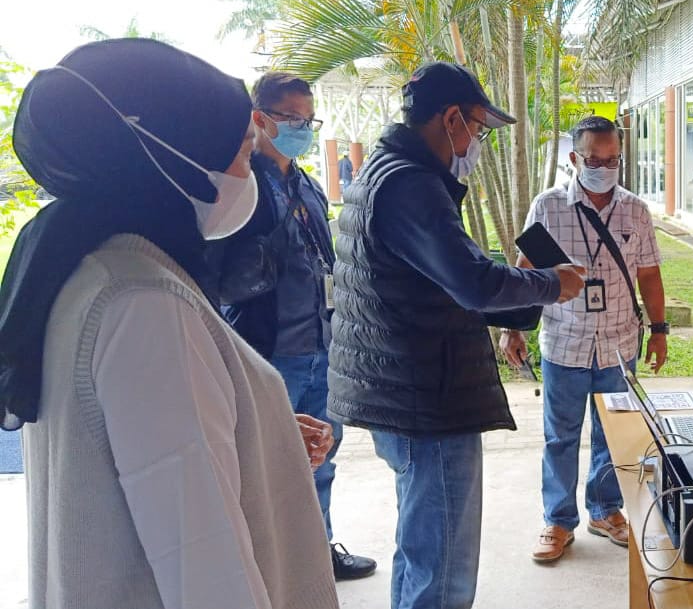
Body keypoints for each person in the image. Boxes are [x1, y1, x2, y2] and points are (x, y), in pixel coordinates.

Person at [1, 39, 340, 609]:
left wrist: (262, 428)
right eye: (238, 151)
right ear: (170, 155)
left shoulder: (84, 263)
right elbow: (209, 569)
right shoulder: (145, 304)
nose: (246, 172)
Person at [328, 61, 586, 609]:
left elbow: (430, 280)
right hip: (427, 402)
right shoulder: (410, 184)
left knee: (421, 549)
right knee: (442, 565)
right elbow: (472, 283)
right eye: (478, 127)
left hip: (401, 391)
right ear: (450, 119)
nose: (478, 141)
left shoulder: (381, 172)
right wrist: (550, 283)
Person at [213, 71, 376, 580]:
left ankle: (316, 551)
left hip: (319, 344)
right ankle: (270, 562)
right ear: (259, 119)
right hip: (269, 350)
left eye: (309, 119)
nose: (303, 128)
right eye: (292, 119)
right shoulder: (242, 181)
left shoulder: (304, 182)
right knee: (267, 464)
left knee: (320, 456)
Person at [500, 116, 669, 563]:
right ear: (574, 158)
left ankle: (605, 509)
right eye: (595, 159)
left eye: (613, 159)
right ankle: (558, 520)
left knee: (612, 436)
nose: (604, 167)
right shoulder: (549, 206)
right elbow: (525, 272)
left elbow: (649, 275)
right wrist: (512, 326)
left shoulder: (636, 210)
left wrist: (660, 330)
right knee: (560, 437)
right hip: (566, 342)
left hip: (619, 345)